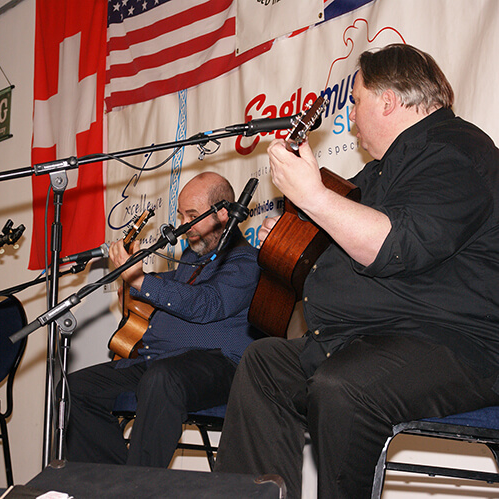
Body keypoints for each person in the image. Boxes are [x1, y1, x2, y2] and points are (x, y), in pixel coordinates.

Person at [214, 44, 499, 498]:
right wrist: (291, 233)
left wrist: (313, 198)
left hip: (454, 344)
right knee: (265, 362)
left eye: (356, 99)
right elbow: (342, 241)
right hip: (372, 337)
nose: (350, 113)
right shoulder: (380, 172)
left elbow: (394, 245)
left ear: (387, 101)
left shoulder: (456, 151)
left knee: (343, 386)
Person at [65, 171, 261, 468]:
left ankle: (139, 489)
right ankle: (115, 485)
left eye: (192, 215)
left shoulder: (246, 261)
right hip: (159, 362)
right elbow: (166, 288)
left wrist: (141, 280)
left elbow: (207, 304)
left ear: (222, 214)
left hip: (220, 367)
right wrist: (134, 279)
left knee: (162, 379)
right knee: (74, 389)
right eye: (181, 214)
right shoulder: (190, 259)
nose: (183, 225)